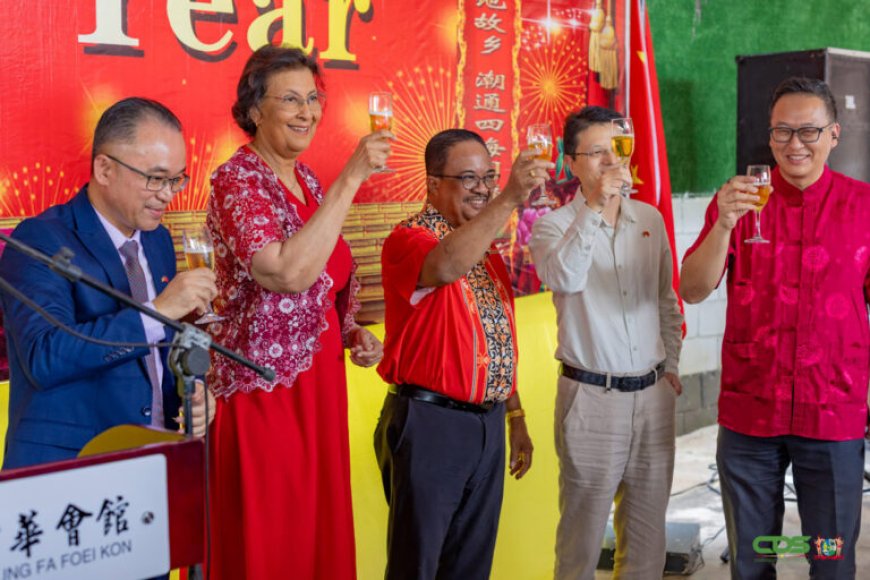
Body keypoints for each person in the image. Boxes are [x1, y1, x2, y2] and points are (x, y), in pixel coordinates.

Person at [205, 45, 387, 580]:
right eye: (291, 99)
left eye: (313, 98)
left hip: (320, 387)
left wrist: (351, 332)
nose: (307, 112)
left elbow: (323, 281)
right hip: (264, 392)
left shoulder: (306, 181)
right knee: (273, 539)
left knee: (316, 535)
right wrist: (351, 177)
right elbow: (284, 274)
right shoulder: (238, 180)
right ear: (254, 110)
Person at [681, 77, 870, 579]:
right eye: (782, 131)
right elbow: (693, 288)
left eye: (809, 131)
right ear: (769, 137)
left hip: (832, 412)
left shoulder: (863, 207)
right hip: (750, 414)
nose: (795, 144)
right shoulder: (738, 203)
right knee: (752, 559)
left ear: (834, 134)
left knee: (831, 559)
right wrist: (723, 224)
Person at [0, 97, 217, 470]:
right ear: (104, 169)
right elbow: (45, 357)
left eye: (177, 179)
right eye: (155, 178)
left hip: (154, 454)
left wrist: (192, 391)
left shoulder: (158, 240)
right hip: (72, 462)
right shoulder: (40, 239)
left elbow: (161, 349)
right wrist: (159, 310)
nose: (167, 194)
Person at [374, 128, 547, 580]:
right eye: (468, 178)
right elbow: (446, 266)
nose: (482, 188)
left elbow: (496, 339)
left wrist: (515, 415)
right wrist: (509, 197)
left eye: (488, 177)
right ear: (433, 184)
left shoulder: (486, 252)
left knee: (471, 566)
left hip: (487, 424)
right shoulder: (409, 239)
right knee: (417, 566)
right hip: (432, 424)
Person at [529, 106, 684, 579]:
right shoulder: (553, 226)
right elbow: (565, 278)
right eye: (596, 152)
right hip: (591, 398)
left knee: (647, 544)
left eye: (617, 148)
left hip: (654, 396)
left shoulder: (650, 218)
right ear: (571, 163)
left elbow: (666, 300)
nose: (610, 161)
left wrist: (672, 366)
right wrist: (595, 206)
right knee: (580, 543)